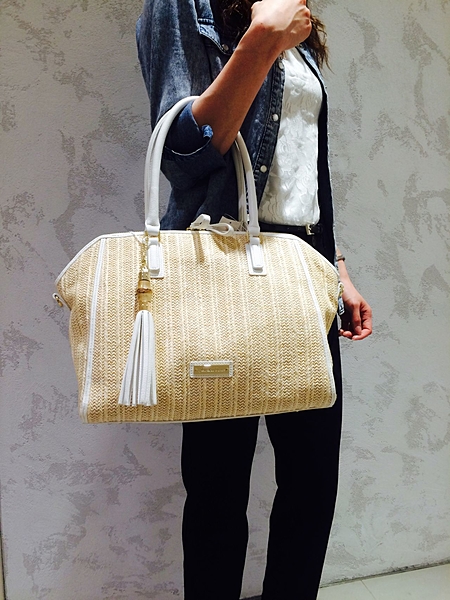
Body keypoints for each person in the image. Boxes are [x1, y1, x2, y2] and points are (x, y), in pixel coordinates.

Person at [136, 1, 373, 598]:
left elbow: (302, 163)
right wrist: (261, 40)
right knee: (217, 484)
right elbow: (181, 155)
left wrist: (337, 265)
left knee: (313, 478)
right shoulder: (185, 6)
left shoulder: (294, 14)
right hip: (220, 262)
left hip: (305, 265)